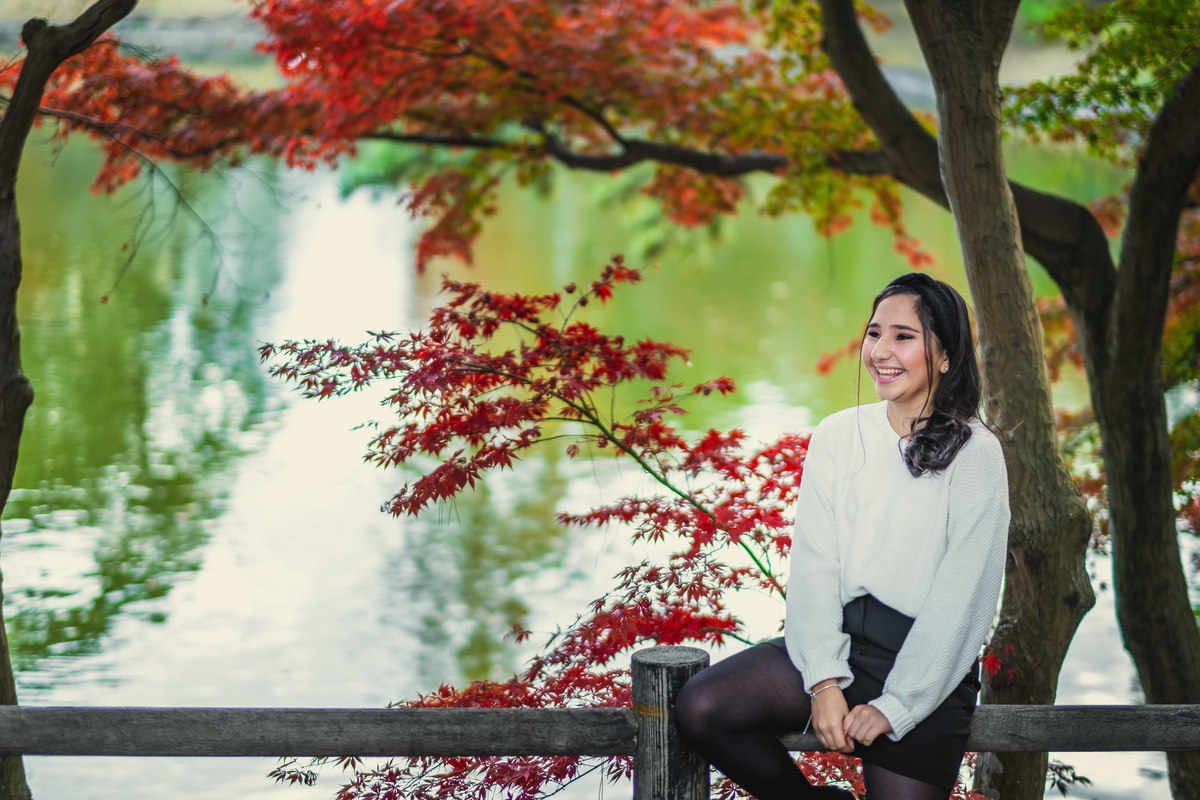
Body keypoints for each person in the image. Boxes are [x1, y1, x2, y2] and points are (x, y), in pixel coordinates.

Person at [674, 273, 1010, 800]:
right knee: (703, 707)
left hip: (929, 663)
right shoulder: (838, 434)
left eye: (903, 336)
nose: (880, 351)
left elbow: (962, 600)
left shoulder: (977, 453)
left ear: (945, 356)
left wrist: (898, 705)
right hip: (840, 641)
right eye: (874, 333)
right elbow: (815, 565)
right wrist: (824, 680)